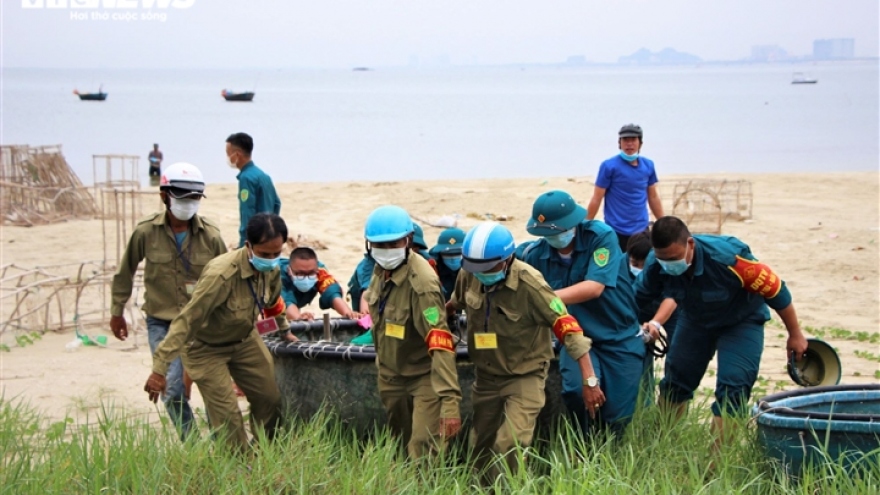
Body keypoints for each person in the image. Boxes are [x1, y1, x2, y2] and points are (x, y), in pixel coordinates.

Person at [633, 216, 808, 452]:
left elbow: (777, 291)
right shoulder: (657, 264)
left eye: (674, 259)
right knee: (676, 379)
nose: (668, 265)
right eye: (663, 259)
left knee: (734, 384)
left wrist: (794, 334)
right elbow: (635, 299)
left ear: (690, 245)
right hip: (695, 319)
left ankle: (717, 460)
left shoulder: (730, 260)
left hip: (741, 321)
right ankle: (662, 445)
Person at [447, 222, 602, 480]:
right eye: (476, 268)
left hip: (525, 375)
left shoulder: (531, 285)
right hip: (486, 378)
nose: (481, 273)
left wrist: (589, 379)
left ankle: (511, 487)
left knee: (511, 442)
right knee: (480, 445)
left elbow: (568, 327)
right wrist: (437, 321)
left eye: (489, 267)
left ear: (508, 260)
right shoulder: (470, 273)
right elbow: (455, 303)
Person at [144, 213, 291, 454]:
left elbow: (273, 301)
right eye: (265, 254)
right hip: (205, 348)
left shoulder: (272, 269)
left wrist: (284, 330)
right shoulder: (221, 275)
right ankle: (238, 467)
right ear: (248, 246)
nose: (272, 260)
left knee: (270, 400)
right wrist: (160, 368)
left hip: (244, 339)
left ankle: (265, 454)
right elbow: (186, 320)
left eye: (277, 254)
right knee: (227, 416)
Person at [110, 162, 226, 441]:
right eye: (182, 196)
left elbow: (228, 279)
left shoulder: (211, 235)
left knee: (213, 388)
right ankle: (192, 444)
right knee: (171, 389)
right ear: (165, 196)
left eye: (194, 197)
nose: (189, 203)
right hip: (161, 322)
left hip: (202, 325)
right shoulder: (146, 232)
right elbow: (124, 271)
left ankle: (223, 444)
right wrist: (117, 312)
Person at [524, 190, 645, 436]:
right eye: (547, 233)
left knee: (618, 415)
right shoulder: (536, 255)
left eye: (558, 231)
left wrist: (544, 297)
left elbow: (594, 287)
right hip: (576, 338)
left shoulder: (600, 238)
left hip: (618, 335)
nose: (554, 238)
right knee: (576, 393)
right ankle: (584, 446)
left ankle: (611, 451)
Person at [362, 205, 461, 458]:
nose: (386, 251)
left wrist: (450, 403)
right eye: (379, 246)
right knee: (399, 446)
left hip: (423, 377)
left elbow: (441, 342)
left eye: (393, 244)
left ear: (408, 240)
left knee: (423, 448)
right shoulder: (380, 270)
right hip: (391, 375)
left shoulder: (423, 283)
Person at [587, 124, 664, 252]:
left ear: (640, 143)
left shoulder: (648, 165)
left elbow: (653, 196)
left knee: (641, 267)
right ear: (619, 143)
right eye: (625, 140)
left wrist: (663, 222)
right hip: (616, 229)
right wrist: (585, 224)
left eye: (633, 140)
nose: (629, 144)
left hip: (641, 229)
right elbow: (597, 197)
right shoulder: (608, 166)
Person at [626, 230, 680, 403]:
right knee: (640, 351)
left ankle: (671, 406)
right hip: (637, 308)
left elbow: (672, 297)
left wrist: (655, 323)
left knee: (679, 359)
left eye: (644, 265)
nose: (639, 269)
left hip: (672, 310)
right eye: (635, 263)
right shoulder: (619, 266)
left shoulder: (665, 265)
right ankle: (644, 404)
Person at [280, 247, 360, 340]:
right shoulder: (278, 274)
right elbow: (285, 301)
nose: (306, 278)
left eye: (310, 273)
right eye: (300, 274)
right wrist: (299, 317)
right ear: (289, 270)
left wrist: (348, 313)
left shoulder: (320, 270)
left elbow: (331, 291)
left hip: (291, 309)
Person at [227, 132, 281, 248]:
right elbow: (277, 203)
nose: (227, 158)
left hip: (255, 239)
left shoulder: (246, 178)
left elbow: (247, 213)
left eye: (228, 154)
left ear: (237, 155)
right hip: (269, 235)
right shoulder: (263, 175)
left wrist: (243, 243)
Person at [427, 227, 465, 301]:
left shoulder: (475, 271)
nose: (453, 259)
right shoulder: (431, 270)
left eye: (458, 254)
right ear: (440, 254)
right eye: (448, 255)